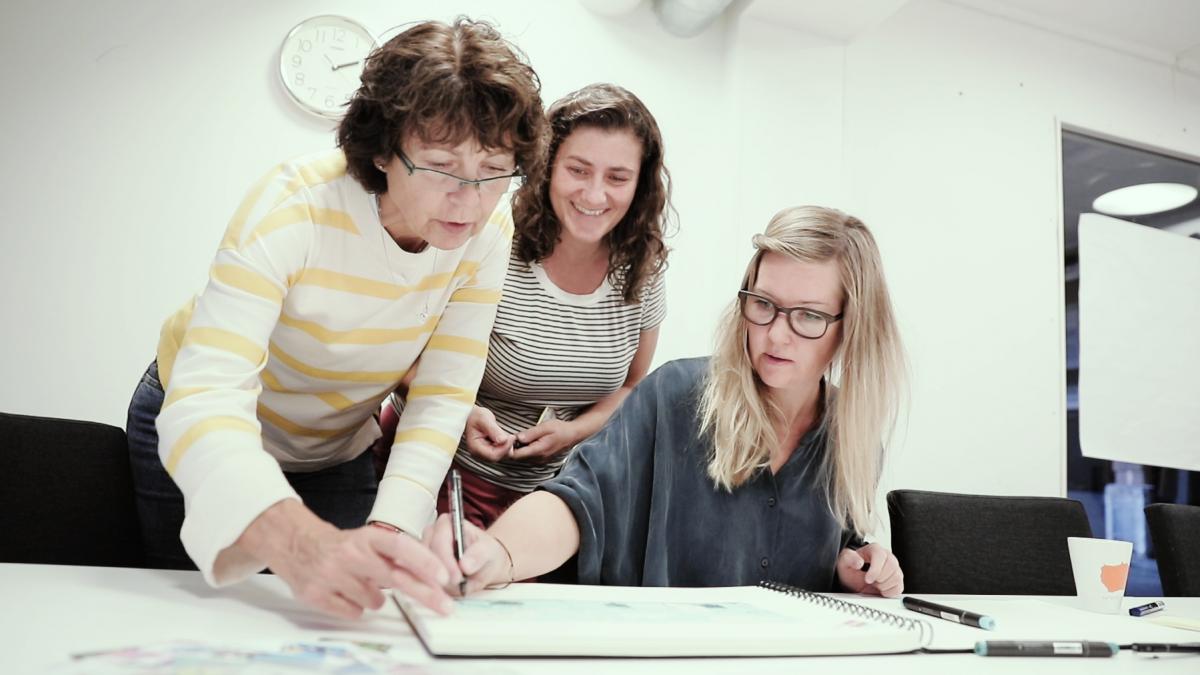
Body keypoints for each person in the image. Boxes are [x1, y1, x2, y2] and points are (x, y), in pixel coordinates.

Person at [124, 17, 546, 619]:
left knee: (353, 612)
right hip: (204, 424)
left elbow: (443, 393)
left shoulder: (488, 230)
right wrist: (296, 540)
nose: (469, 200)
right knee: (197, 617)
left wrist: (395, 529)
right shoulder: (295, 207)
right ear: (383, 151)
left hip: (336, 447)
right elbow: (207, 396)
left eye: (493, 170)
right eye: (440, 166)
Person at [427, 205, 908, 596]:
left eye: (808, 316)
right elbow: (578, 504)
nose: (777, 335)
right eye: (763, 304)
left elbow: (827, 550)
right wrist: (498, 554)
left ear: (853, 326)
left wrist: (854, 565)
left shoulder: (853, 440)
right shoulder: (676, 395)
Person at [377, 83, 671, 528]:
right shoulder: (489, 237)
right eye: (578, 170)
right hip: (430, 467)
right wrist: (459, 412)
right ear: (546, 166)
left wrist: (572, 433)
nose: (594, 195)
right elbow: (398, 355)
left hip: (547, 495)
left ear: (640, 184)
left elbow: (631, 386)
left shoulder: (643, 270)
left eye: (617, 178)